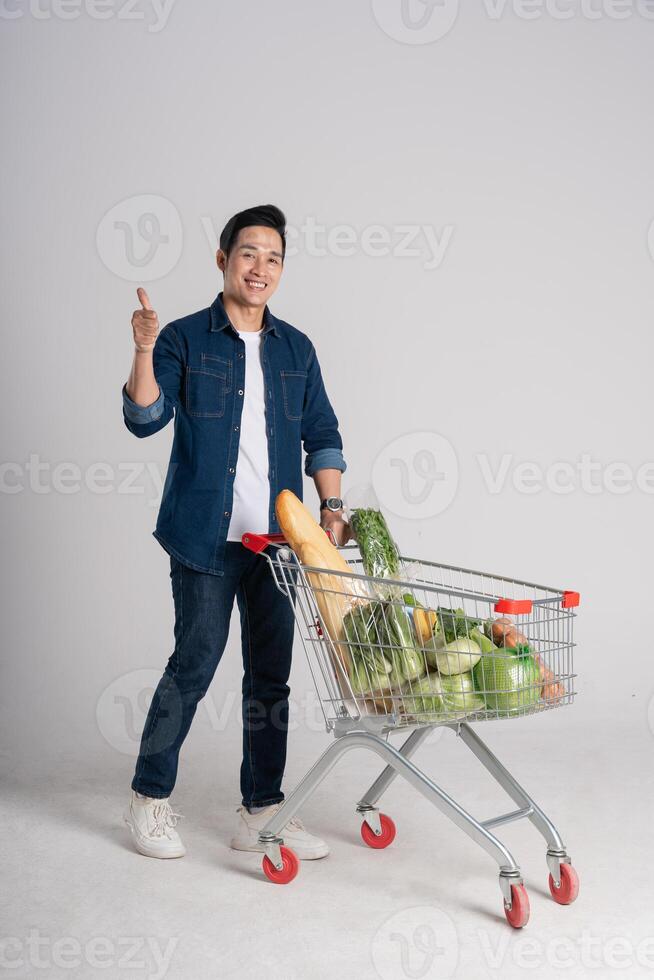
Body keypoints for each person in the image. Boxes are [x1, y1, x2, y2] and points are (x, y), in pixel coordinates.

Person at [121, 204, 350, 860]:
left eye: (274, 258)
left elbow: (323, 434)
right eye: (248, 253)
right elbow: (144, 419)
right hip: (205, 538)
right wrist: (142, 349)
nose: (261, 268)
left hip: (278, 545)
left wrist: (330, 506)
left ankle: (261, 809)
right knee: (192, 666)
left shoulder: (296, 348)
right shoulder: (185, 339)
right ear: (223, 260)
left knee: (270, 680)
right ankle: (149, 796)